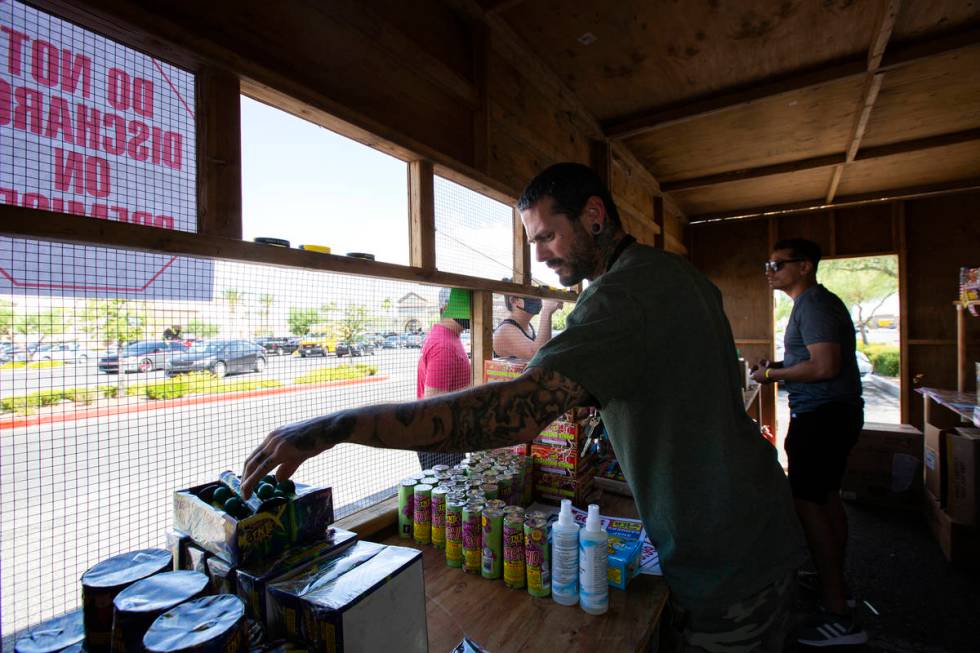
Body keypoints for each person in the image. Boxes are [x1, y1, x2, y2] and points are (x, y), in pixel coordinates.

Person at [242, 163, 805, 652]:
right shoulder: (676, 275)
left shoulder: (619, 296)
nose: (538, 256)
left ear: (593, 214)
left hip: (724, 554)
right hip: (751, 519)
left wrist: (337, 425)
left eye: (546, 236)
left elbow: (509, 413)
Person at [751, 238, 866, 647]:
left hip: (823, 418)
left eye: (778, 265)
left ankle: (838, 613)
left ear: (805, 267)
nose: (770, 271)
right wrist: (779, 366)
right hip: (833, 415)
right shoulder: (810, 305)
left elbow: (825, 366)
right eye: (768, 264)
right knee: (827, 497)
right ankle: (834, 580)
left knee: (807, 503)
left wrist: (770, 377)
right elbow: (814, 360)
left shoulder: (814, 304)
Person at [415, 287, 471, 469]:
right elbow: (434, 404)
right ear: (446, 307)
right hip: (439, 439)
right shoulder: (444, 345)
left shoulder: (449, 337)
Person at [493, 282, 562, 359]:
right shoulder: (506, 330)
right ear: (513, 300)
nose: (537, 299)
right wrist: (546, 311)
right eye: (530, 295)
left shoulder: (527, 326)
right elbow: (536, 355)